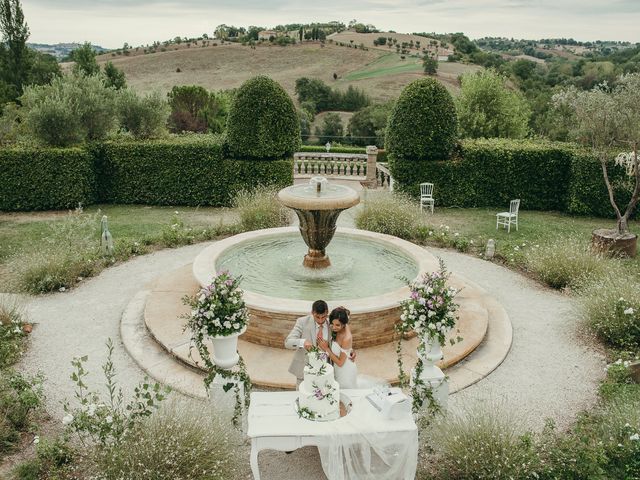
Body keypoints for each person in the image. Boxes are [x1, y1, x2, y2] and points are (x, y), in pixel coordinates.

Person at [284, 299, 330, 387]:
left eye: (323, 317)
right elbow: (287, 342)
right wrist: (303, 342)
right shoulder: (302, 322)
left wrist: (350, 351)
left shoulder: (332, 324)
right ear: (312, 313)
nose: (320, 320)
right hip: (304, 370)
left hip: (325, 370)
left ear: (327, 313)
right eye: (317, 317)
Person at [318, 306, 358, 389]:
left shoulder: (347, 337)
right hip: (336, 367)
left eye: (337, 325)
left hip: (345, 370)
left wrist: (326, 349)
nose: (334, 327)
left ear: (344, 324)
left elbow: (340, 363)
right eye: (332, 324)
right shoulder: (339, 325)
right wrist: (350, 350)